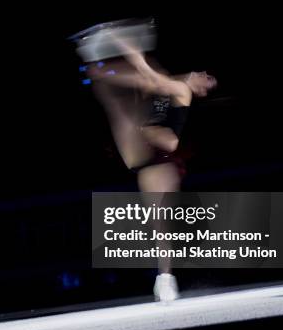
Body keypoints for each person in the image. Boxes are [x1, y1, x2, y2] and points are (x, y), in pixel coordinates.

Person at [87, 28, 217, 301]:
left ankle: (165, 278)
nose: (204, 76)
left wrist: (126, 44)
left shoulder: (181, 90)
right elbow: (144, 76)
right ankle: (165, 277)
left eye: (208, 81)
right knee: (117, 97)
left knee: (161, 220)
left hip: (160, 155)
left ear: (201, 91)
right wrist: (122, 54)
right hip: (141, 146)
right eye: (206, 74)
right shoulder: (169, 81)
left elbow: (147, 75)